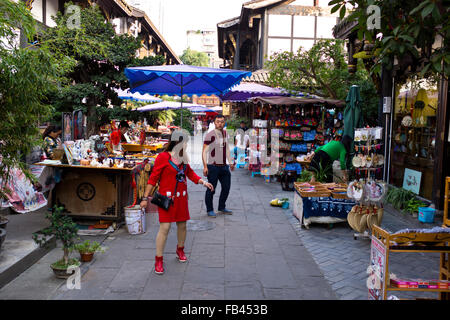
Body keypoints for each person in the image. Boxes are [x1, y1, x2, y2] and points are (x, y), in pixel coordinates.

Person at [140, 132, 213, 275]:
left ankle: (180, 249)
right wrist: (144, 198)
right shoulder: (163, 157)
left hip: (181, 198)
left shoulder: (184, 157)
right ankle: (159, 259)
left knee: (182, 225)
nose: (186, 145)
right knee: (165, 228)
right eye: (184, 142)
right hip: (166, 199)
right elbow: (153, 178)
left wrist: (203, 182)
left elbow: (190, 173)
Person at [202, 115, 235, 217]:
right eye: (218, 122)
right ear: (214, 123)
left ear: (224, 123)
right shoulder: (210, 135)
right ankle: (209, 209)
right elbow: (204, 152)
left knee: (226, 187)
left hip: (224, 166)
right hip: (213, 166)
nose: (220, 123)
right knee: (211, 188)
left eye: (222, 122)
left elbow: (227, 149)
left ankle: (221, 207)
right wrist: (205, 166)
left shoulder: (225, 133)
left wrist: (230, 162)